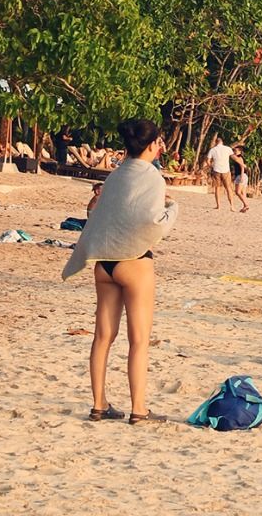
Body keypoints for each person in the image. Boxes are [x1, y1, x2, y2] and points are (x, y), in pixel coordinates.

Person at [60, 118, 176, 423]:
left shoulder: (115, 176)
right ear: (153, 145)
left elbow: (103, 215)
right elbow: (153, 222)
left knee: (102, 336)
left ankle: (99, 404)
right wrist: (173, 209)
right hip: (134, 262)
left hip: (104, 262)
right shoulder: (152, 177)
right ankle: (139, 409)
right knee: (138, 340)